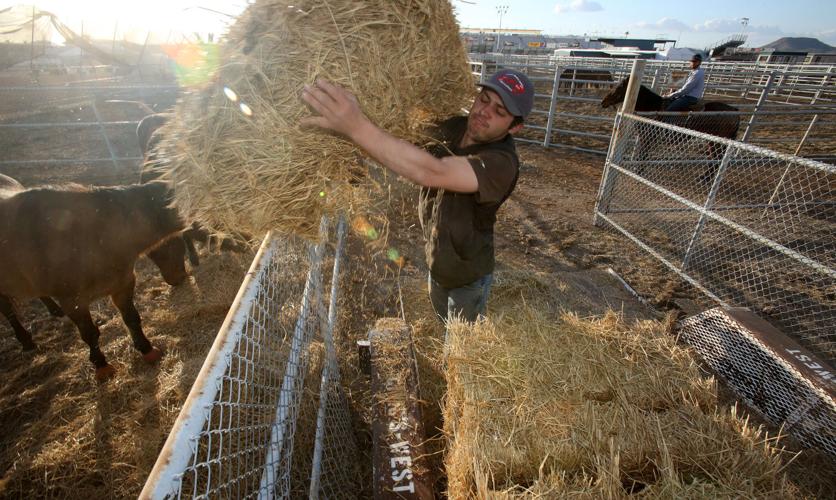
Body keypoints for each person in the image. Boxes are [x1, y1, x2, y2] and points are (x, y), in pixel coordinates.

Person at [301, 68, 534, 324]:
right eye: (484, 99)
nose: (483, 111)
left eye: (500, 112)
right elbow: (402, 146)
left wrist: (355, 125)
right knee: (440, 317)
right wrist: (357, 128)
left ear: (515, 127)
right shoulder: (455, 127)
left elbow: (431, 171)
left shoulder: (501, 163)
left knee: (458, 345)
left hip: (468, 276)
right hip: (437, 260)